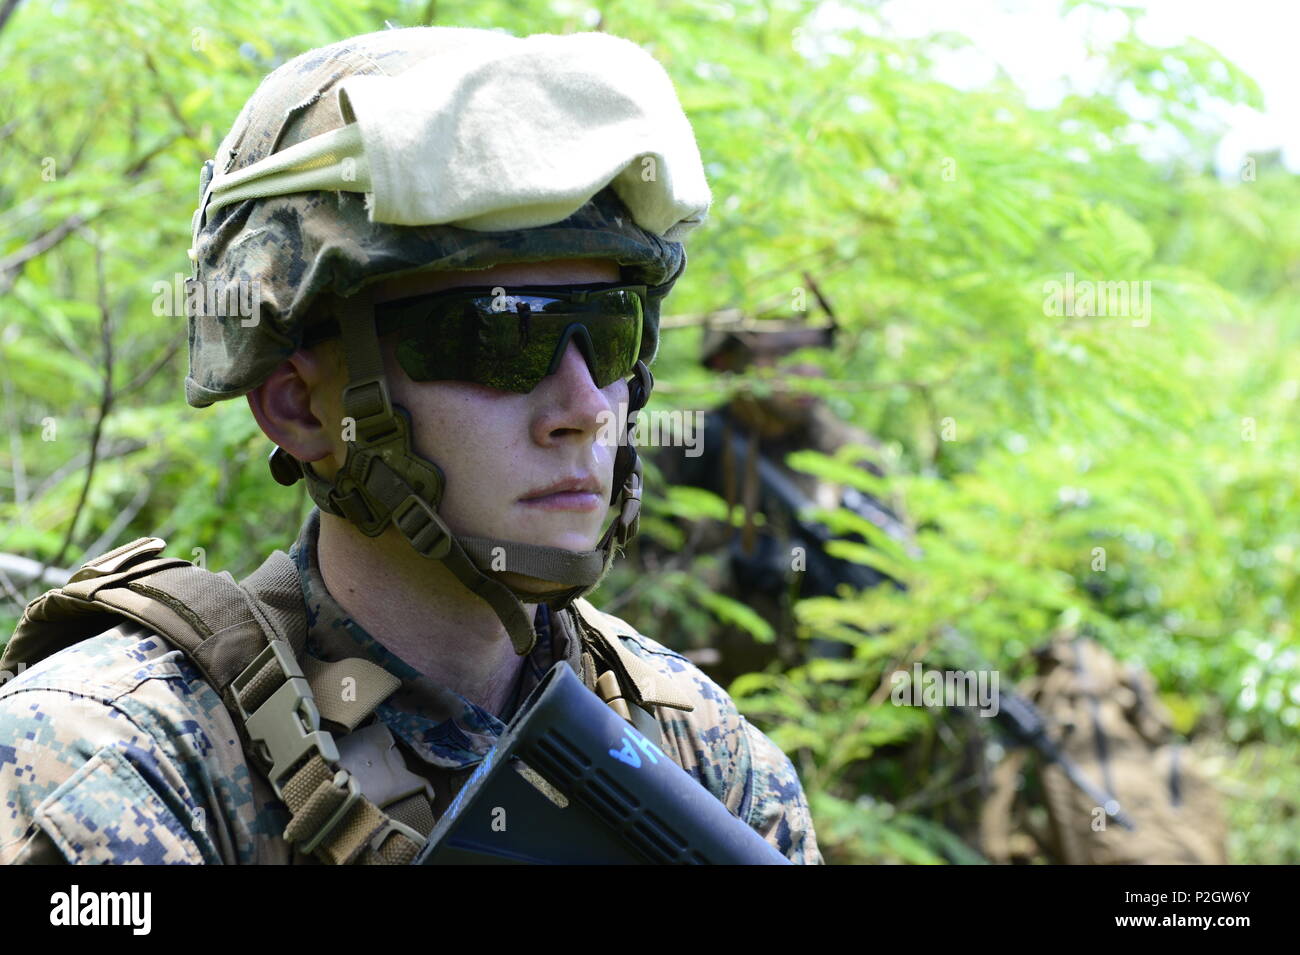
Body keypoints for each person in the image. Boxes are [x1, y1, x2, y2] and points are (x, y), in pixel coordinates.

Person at [0, 26, 821, 865]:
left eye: (611, 336)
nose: (584, 409)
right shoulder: (117, 757)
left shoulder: (703, 753)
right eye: (500, 337)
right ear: (298, 406)